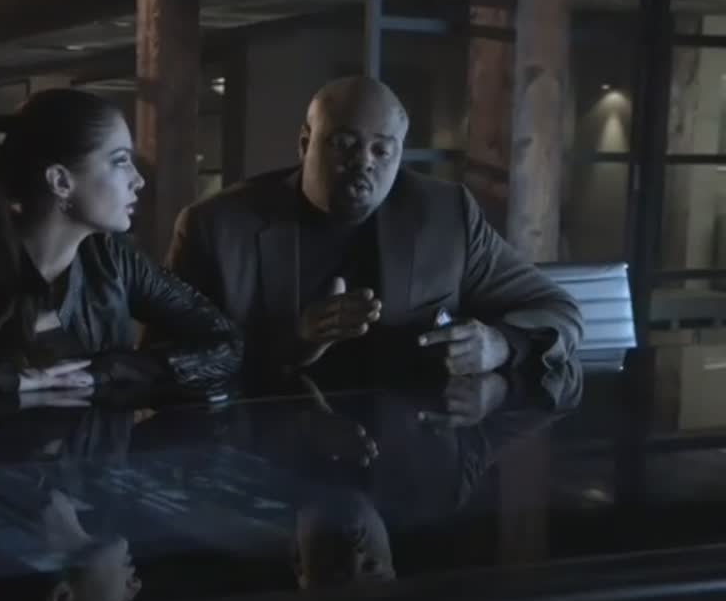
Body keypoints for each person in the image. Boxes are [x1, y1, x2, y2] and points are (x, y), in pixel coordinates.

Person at [164, 75, 582, 388]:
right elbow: (166, 363)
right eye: (344, 143)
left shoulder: (444, 215)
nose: (364, 162)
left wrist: (500, 345)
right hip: (260, 454)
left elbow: (557, 309)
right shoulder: (216, 227)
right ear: (305, 143)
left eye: (382, 150)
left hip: (406, 454)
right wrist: (294, 339)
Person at [0, 88, 243, 402]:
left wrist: (104, 372)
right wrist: (13, 380)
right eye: (120, 160)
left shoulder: (113, 258)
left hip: (92, 467)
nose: (138, 180)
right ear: (61, 181)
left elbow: (224, 343)